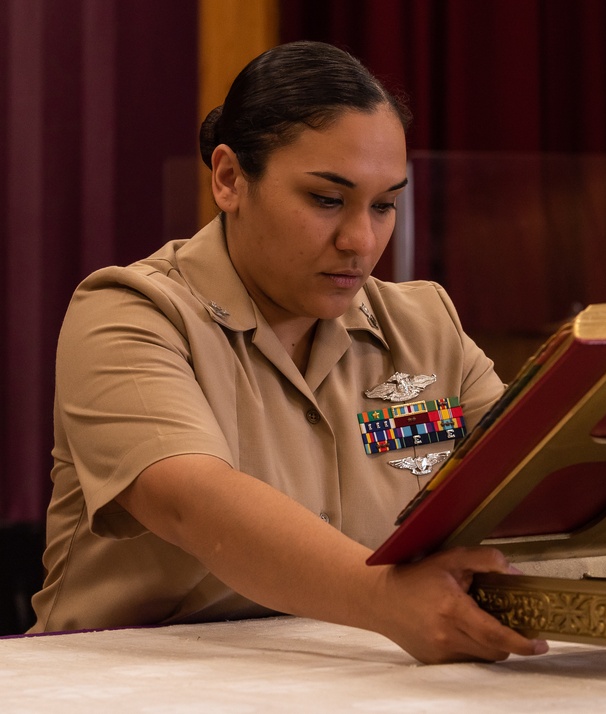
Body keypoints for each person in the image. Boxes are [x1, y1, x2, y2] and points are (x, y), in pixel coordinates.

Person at [29, 40, 548, 664]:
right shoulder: (129, 312)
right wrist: (385, 597)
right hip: (122, 687)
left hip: (357, 679)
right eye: (327, 200)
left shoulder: (425, 326)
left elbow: (537, 483)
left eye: (384, 205)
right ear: (228, 179)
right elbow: (192, 503)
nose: (361, 239)